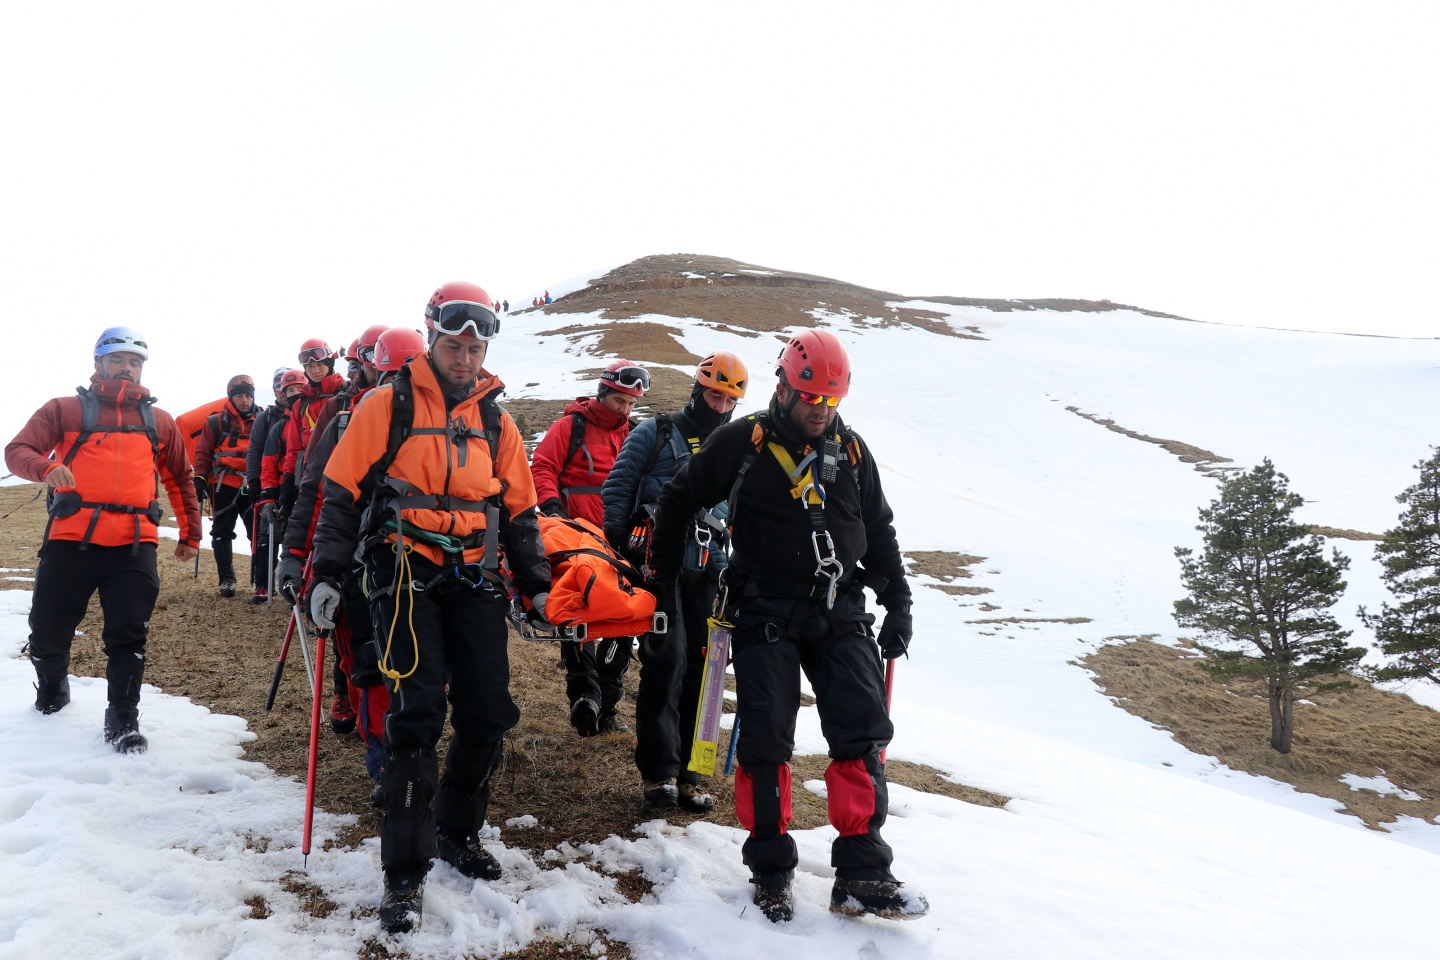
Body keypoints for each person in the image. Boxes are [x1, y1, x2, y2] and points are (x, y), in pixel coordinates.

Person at [648, 330, 927, 923]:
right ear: (784, 387)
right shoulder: (742, 442)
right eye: (809, 399)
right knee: (766, 741)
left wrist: (898, 602)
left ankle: (862, 872)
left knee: (862, 732)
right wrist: (662, 583)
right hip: (764, 609)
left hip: (840, 606)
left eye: (830, 401)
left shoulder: (851, 451)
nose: (819, 411)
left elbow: (877, 530)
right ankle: (771, 869)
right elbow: (679, 497)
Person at [307, 283, 550, 935]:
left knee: (489, 712)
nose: (465, 357)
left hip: (474, 577)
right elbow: (338, 497)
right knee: (416, 714)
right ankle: (404, 875)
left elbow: (523, 513)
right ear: (432, 338)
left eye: (476, 347)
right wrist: (325, 574)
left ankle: (457, 831)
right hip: (403, 571)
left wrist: (539, 586)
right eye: (453, 344)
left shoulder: (496, 422)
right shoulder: (385, 407)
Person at [4, 327, 202, 753]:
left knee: (129, 635)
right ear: (98, 364)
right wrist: (44, 468)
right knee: (47, 631)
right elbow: (17, 449)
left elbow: (181, 479)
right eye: (118, 360)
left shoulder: (159, 421)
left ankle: (123, 720)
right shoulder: (64, 409)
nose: (127, 368)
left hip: (134, 545)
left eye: (135, 361)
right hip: (71, 538)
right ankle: (52, 691)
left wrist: (190, 533)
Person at [602, 351, 747, 812]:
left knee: (706, 672)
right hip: (658, 566)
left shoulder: (737, 448)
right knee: (668, 663)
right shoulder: (656, 432)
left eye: (729, 400)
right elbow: (619, 490)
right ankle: (659, 773)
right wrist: (622, 548)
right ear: (697, 388)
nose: (720, 406)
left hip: (712, 569)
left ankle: (693, 774)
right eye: (713, 395)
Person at [279, 323, 387, 744]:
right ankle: (347, 696)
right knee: (348, 632)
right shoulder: (339, 412)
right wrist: (296, 549)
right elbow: (317, 484)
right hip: (346, 539)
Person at [530, 359, 648, 737]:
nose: (625, 410)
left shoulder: (636, 434)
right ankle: (585, 694)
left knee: (623, 616)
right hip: (576, 537)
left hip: (621, 537)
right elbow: (542, 466)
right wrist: (552, 508)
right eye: (619, 402)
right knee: (579, 613)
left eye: (631, 404)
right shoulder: (570, 427)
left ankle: (607, 704)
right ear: (604, 393)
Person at [193, 375, 257, 597]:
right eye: (239, 395)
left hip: (253, 484)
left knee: (258, 533)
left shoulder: (264, 420)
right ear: (231, 397)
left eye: (248, 395)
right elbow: (202, 452)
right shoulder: (215, 422)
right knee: (222, 531)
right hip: (223, 484)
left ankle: (260, 581)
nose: (244, 400)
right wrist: (199, 478)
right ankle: (227, 579)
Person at [246, 368, 298, 603]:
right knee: (267, 536)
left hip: (298, 485)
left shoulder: (309, 414)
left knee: (296, 537)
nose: (289, 393)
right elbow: (257, 452)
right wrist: (256, 483)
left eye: (294, 388)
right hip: (273, 484)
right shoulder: (267, 420)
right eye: (284, 388)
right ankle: (263, 584)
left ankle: (296, 586)